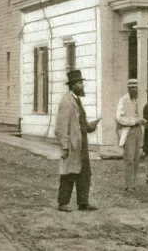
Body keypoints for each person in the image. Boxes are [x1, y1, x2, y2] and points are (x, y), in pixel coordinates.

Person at [55, 69, 101, 212]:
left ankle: (83, 202)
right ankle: (63, 203)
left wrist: (91, 125)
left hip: (82, 143)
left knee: (84, 173)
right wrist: (64, 147)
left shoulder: (77, 100)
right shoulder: (66, 102)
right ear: (73, 85)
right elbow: (60, 128)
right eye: (80, 83)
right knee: (68, 173)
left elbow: (80, 123)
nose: (83, 86)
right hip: (73, 145)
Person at [116, 79, 146, 191]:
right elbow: (119, 118)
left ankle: (133, 183)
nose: (134, 89)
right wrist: (134, 121)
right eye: (132, 87)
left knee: (136, 158)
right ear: (128, 88)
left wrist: (140, 121)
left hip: (137, 131)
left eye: (135, 87)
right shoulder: (123, 100)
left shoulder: (136, 100)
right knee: (129, 159)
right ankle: (128, 185)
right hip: (128, 131)